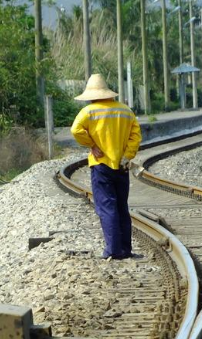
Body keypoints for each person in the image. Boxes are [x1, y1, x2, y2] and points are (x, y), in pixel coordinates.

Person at [71, 73, 142, 260]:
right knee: (121, 207)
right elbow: (136, 136)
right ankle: (125, 249)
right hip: (122, 166)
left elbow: (75, 130)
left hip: (101, 165)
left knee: (106, 207)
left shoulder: (88, 112)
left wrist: (92, 145)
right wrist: (127, 156)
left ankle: (113, 250)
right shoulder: (126, 111)